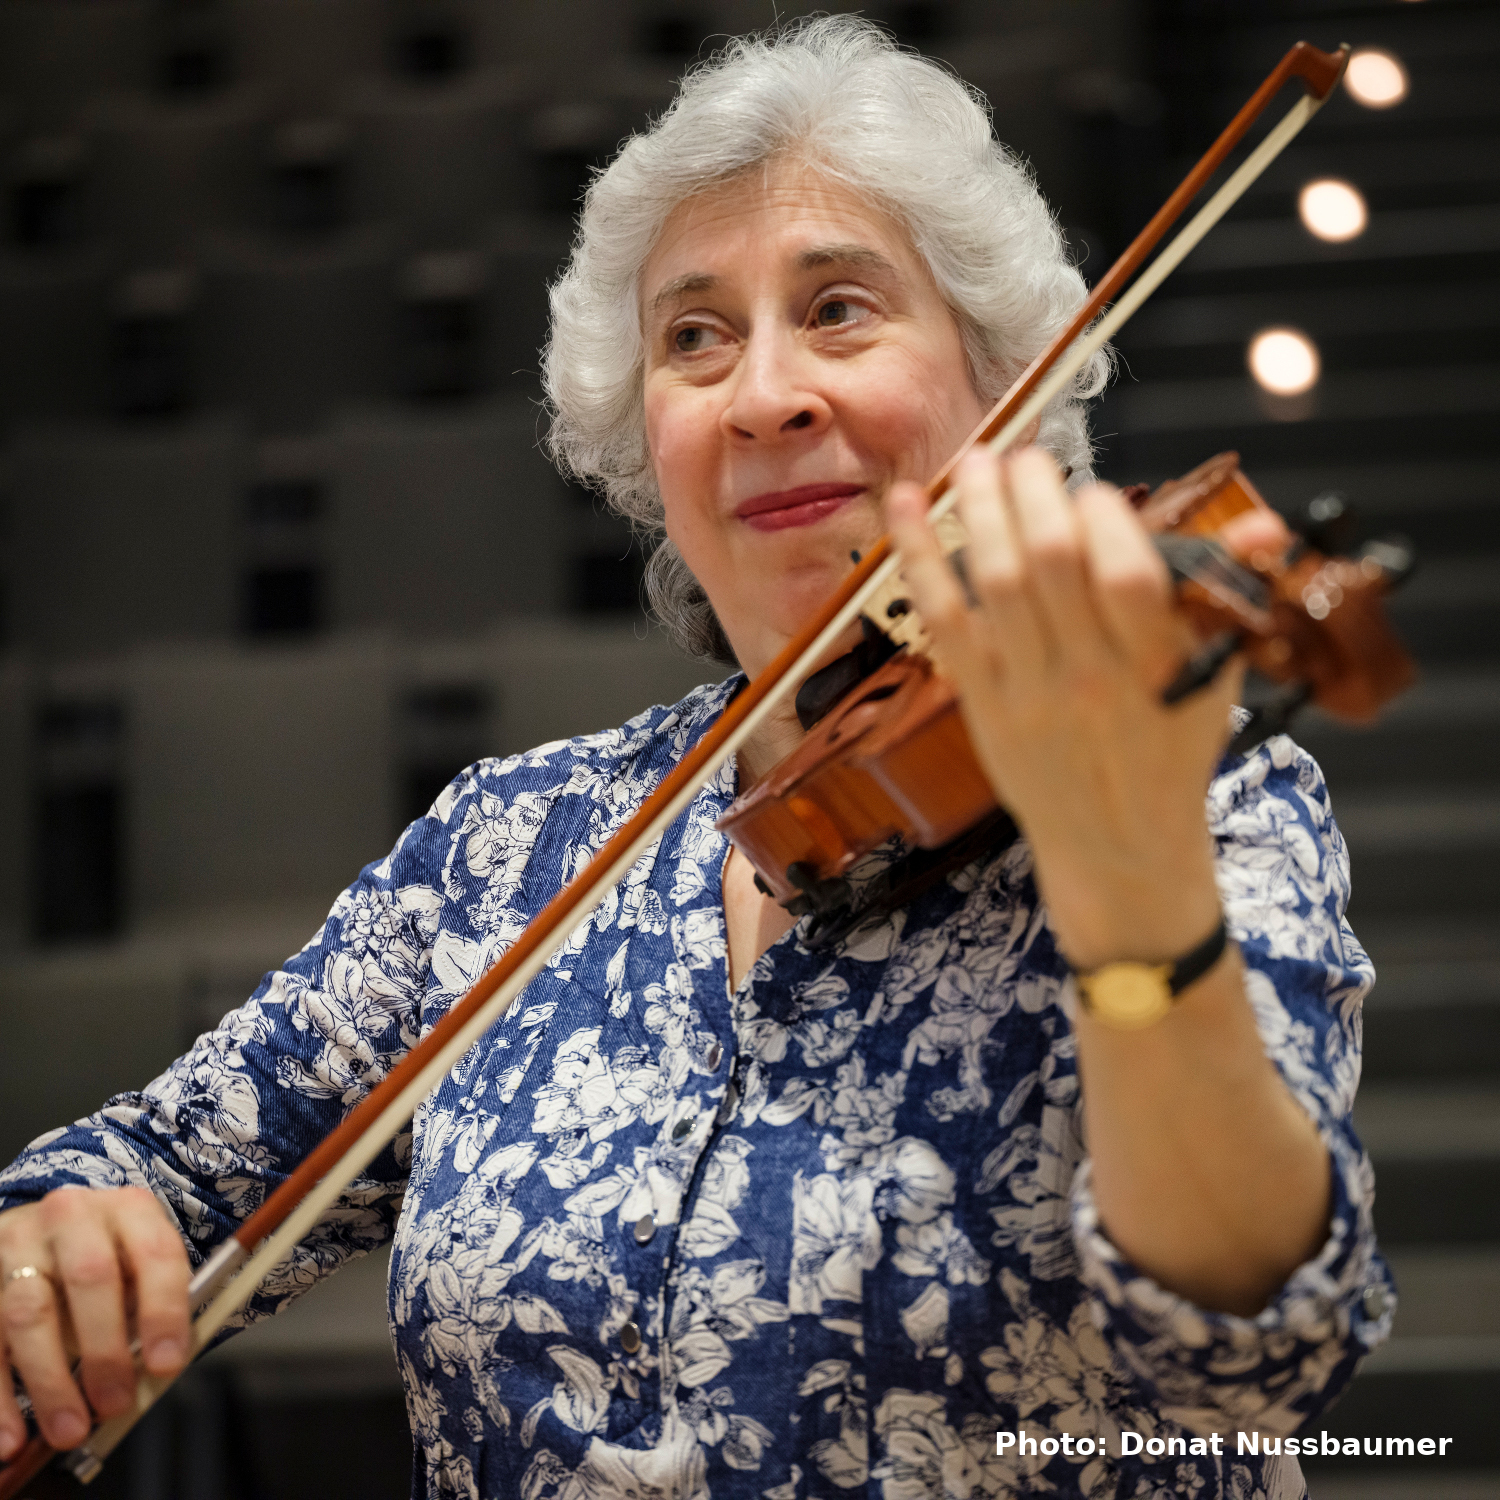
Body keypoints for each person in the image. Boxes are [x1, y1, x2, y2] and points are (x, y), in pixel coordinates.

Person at [0, 18, 1391, 1500]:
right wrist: (64, 1221)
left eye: (842, 308)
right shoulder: (512, 846)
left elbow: (1253, 1357)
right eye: (696, 335)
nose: (764, 395)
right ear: (646, 439)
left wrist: (1125, 875)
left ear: (1004, 385)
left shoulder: (1193, 795)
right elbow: (161, 1167)